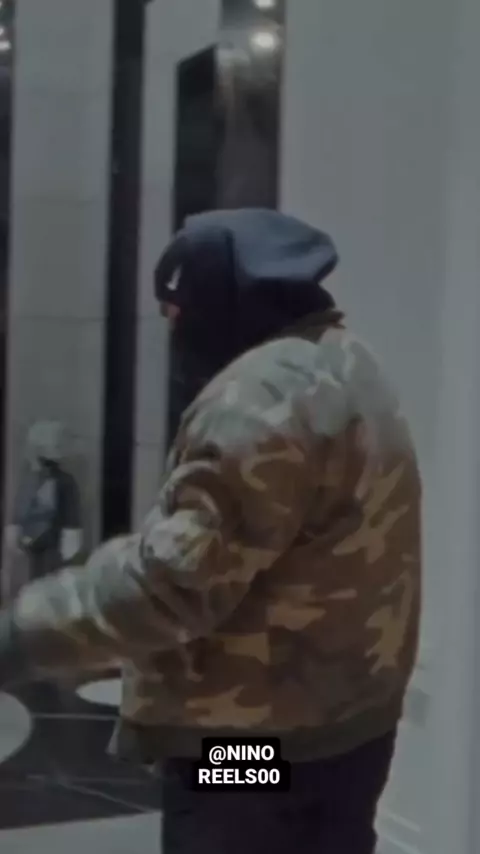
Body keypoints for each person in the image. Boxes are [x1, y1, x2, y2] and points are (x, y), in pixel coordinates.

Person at [0, 209, 421, 854]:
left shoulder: (259, 402)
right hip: (352, 726)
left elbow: (169, 586)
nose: (174, 331)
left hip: (254, 749)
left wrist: (19, 634)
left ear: (222, 306)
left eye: (177, 314)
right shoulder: (345, 361)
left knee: (222, 816)